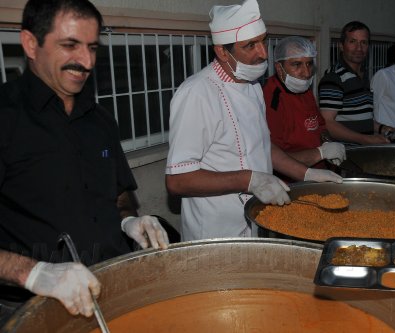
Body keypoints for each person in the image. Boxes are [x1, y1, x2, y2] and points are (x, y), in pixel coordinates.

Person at [0, 0, 170, 322]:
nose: (87, 61)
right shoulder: (6, 118)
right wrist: (34, 273)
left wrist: (129, 222)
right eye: (70, 45)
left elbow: (119, 196)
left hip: (113, 287)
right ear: (30, 44)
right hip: (30, 308)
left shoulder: (100, 120)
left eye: (92, 47)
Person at [165, 0, 342, 241]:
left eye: (263, 41)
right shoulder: (197, 93)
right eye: (250, 45)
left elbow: (262, 145)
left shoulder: (253, 88)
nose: (263, 53)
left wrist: (306, 174)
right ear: (221, 51)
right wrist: (249, 180)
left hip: (257, 222)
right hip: (216, 234)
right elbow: (177, 181)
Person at [262, 36, 346, 182]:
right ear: (279, 68)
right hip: (293, 182)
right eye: (296, 65)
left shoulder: (304, 88)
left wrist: (327, 142)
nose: (306, 73)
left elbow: (320, 125)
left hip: (322, 174)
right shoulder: (271, 99)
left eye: (309, 64)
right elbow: (274, 158)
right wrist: (320, 153)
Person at [317, 21, 392, 144]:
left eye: (364, 42)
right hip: (345, 156)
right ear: (341, 46)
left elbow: (358, 117)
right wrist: (366, 140)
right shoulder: (334, 78)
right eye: (352, 42)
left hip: (362, 153)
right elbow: (327, 123)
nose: (359, 48)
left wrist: (381, 128)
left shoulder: (363, 75)